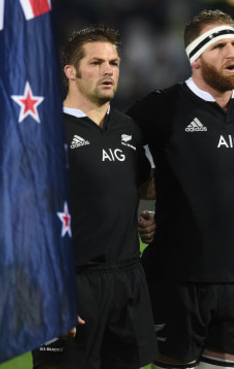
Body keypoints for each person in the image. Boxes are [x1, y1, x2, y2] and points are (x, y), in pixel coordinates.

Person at [127, 9, 234, 369]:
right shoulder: (162, 107)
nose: (232, 53)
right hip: (175, 278)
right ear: (196, 59)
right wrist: (143, 202)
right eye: (219, 46)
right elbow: (113, 152)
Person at [31, 26, 158, 369]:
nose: (108, 70)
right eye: (97, 62)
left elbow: (143, 187)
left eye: (114, 62)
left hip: (127, 281)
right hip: (72, 282)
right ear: (70, 72)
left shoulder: (128, 128)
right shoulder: (45, 131)